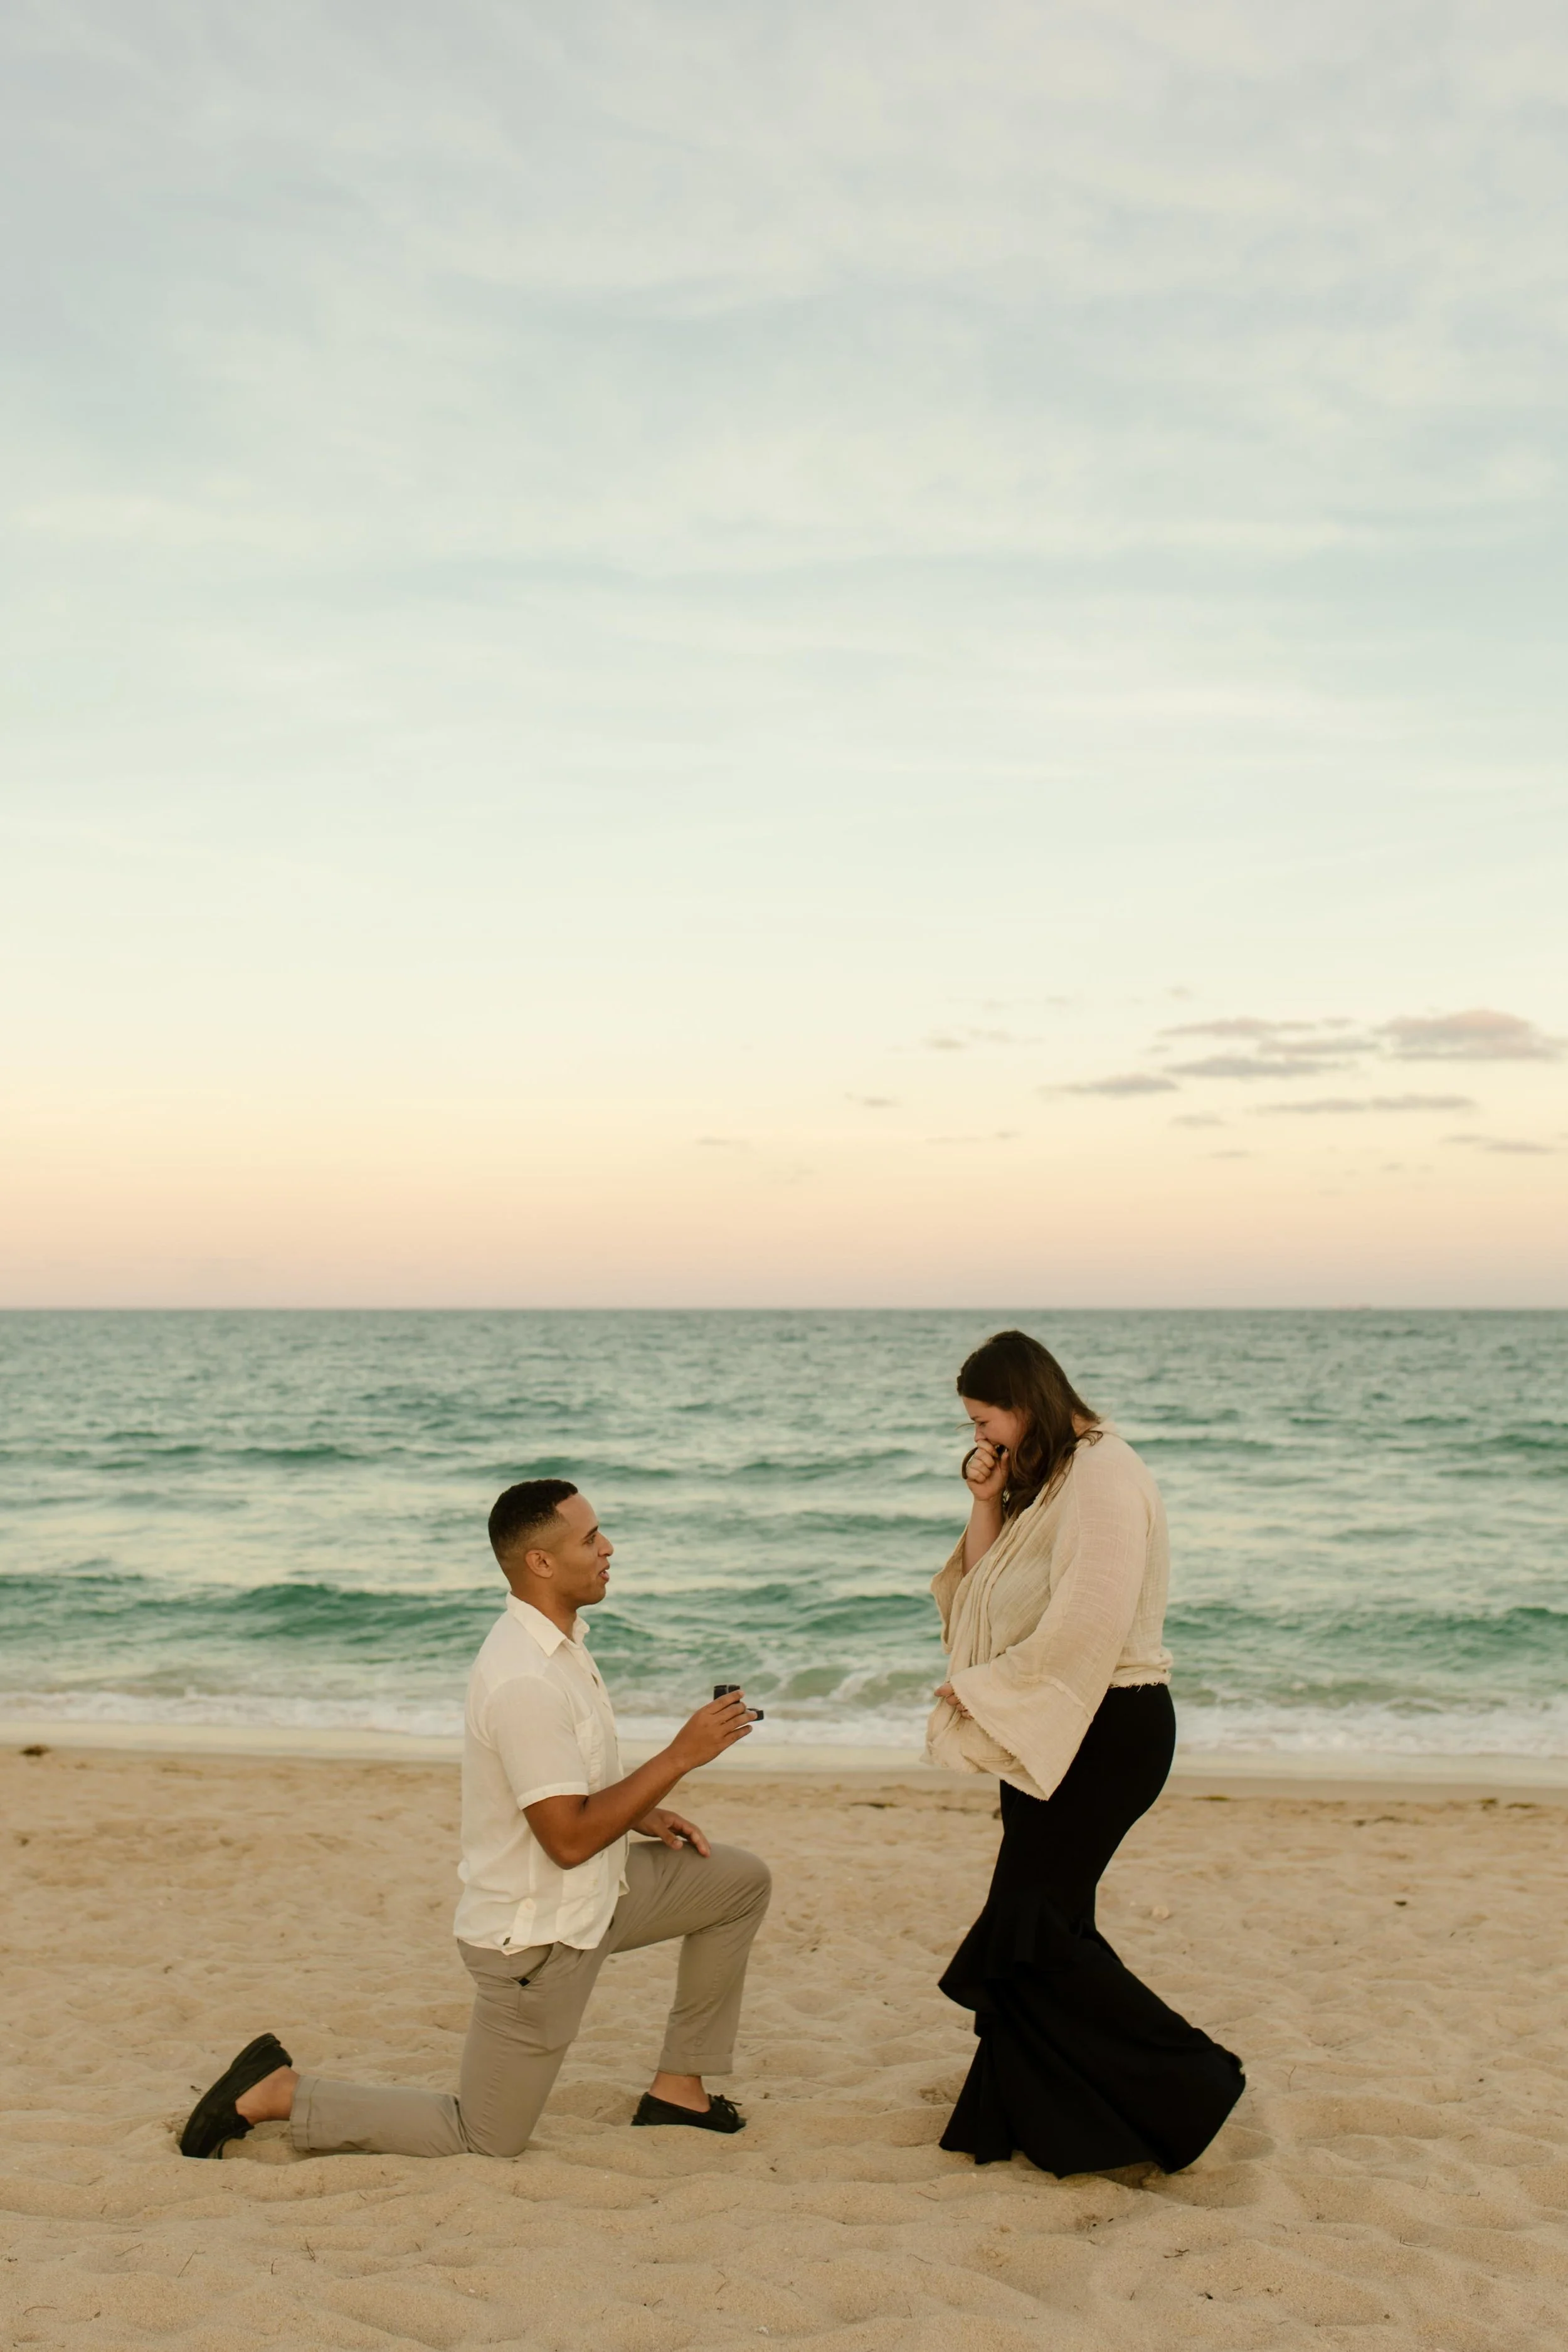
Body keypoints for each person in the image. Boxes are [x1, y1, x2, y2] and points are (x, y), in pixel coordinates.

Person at [179, 1478, 771, 2161]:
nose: (608, 1548)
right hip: (538, 1941)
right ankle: (280, 2093)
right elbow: (569, 1841)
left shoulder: (563, 1645)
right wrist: (679, 1757)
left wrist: (641, 1812)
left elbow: (565, 1792)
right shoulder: (525, 1679)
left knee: (736, 1882)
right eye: (590, 1538)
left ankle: (678, 2095)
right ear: (540, 1563)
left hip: (599, 1897)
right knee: (486, 2138)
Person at [926, 1329, 1244, 2176]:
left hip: (1112, 1727)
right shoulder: (1056, 1475)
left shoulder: (1104, 1471)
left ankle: (1197, 2077)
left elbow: (1090, 1622)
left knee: (1030, 1927)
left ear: (1026, 1398)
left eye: (988, 1420)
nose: (984, 1437)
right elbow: (987, 1599)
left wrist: (989, 1687)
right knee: (1049, 1922)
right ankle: (1033, 2118)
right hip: (1056, 1722)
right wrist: (988, 1498)